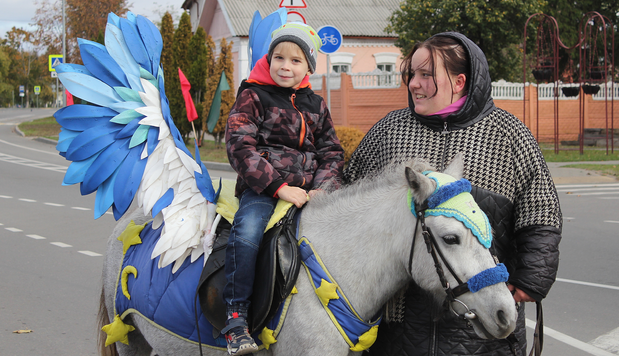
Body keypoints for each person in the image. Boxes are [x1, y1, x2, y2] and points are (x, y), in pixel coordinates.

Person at [342, 32, 562, 356]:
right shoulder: (389, 130)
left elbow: (540, 210)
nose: (413, 84)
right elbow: (351, 196)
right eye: (412, 74)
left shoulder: (507, 134)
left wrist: (531, 279)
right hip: (399, 323)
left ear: (459, 81)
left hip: (481, 323)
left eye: (426, 75)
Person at [222, 22, 344, 356]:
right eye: (279, 57)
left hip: (310, 192)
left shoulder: (316, 104)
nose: (285, 66)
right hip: (262, 190)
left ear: (308, 67)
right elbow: (239, 145)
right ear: (269, 58)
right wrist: (277, 187)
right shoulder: (253, 95)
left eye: (295, 60)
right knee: (246, 234)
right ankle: (235, 319)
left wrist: (323, 188)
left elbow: (331, 152)